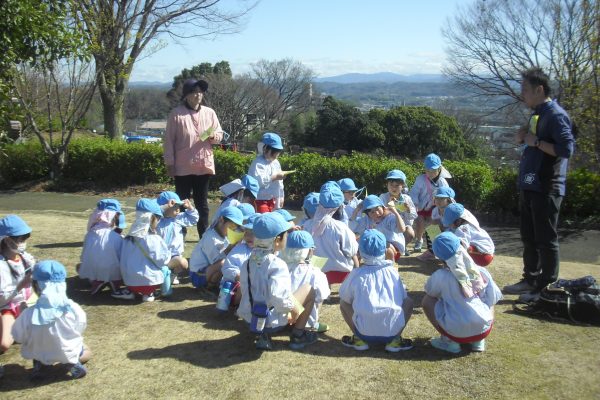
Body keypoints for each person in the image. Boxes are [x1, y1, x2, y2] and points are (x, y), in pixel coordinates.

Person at [503, 67, 575, 301]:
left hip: (547, 186)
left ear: (539, 89)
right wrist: (524, 137)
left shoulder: (555, 115)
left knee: (546, 239)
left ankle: (546, 287)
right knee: (529, 236)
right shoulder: (538, 113)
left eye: (525, 89)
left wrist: (537, 142)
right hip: (531, 184)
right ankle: (530, 279)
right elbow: (530, 142)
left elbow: (566, 149)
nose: (522, 94)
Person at [238, 212, 318, 350]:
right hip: (272, 321)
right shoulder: (277, 264)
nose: (287, 237)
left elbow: (245, 289)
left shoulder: (247, 262)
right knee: (309, 290)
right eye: (285, 235)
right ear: (277, 240)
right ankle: (298, 335)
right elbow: (278, 296)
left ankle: (263, 336)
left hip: (250, 317)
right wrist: (293, 309)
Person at [422, 232, 502, 353]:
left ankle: (448, 340)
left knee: (427, 301)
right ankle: (478, 341)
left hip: (455, 331)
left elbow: (430, 292)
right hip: (484, 329)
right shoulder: (481, 271)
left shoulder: (440, 276)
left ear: (439, 257)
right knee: (489, 298)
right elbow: (493, 298)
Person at [12, 260, 92, 380]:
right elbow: (80, 326)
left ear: (36, 286)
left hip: (39, 353)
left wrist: (22, 313)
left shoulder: (28, 313)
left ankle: (41, 366)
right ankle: (70, 363)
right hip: (66, 350)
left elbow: (18, 336)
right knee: (86, 351)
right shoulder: (72, 308)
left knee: (40, 349)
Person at [163, 78, 223, 237]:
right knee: (182, 202)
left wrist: (213, 136)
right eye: (194, 92)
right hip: (183, 167)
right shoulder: (176, 114)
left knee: (202, 203)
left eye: (200, 91)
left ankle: (204, 235)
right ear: (187, 95)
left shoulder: (210, 113)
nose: (198, 95)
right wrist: (170, 163)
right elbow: (168, 140)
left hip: (204, 165)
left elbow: (219, 134)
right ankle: (179, 234)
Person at [339, 229, 414, 352]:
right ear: (385, 251)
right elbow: (403, 297)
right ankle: (395, 340)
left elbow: (344, 296)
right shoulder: (392, 272)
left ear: (360, 252)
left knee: (343, 303)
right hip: (392, 329)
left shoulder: (356, 273)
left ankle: (358, 339)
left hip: (363, 330)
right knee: (409, 302)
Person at [0, 215, 35, 378]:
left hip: (25, 302)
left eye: (26, 237)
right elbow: (3, 298)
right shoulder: (1, 265)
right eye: (21, 238)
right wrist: (21, 284)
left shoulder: (24, 257)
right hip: (7, 307)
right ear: (7, 240)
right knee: (4, 344)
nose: (24, 241)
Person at [78, 199, 133, 299]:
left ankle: (97, 282)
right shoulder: (116, 237)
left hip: (93, 269)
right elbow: (122, 256)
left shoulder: (90, 234)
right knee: (115, 265)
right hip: (112, 269)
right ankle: (114, 282)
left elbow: (84, 255)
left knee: (83, 266)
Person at [120, 199, 171, 302]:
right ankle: (150, 294)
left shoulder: (128, 238)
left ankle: (130, 292)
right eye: (158, 219)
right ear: (152, 219)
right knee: (165, 269)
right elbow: (162, 260)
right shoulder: (154, 239)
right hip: (149, 283)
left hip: (129, 282)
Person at [280, 230, 331, 333]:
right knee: (317, 295)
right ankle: (311, 324)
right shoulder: (315, 272)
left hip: (279, 318)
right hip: (301, 319)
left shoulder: (279, 267)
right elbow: (322, 296)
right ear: (309, 251)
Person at [311, 182, 359, 285]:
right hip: (342, 272)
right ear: (340, 206)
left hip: (318, 272)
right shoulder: (341, 227)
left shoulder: (309, 225)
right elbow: (351, 250)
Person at [189, 206, 244, 288]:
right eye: (231, 227)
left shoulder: (221, 234)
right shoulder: (210, 238)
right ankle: (209, 287)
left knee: (225, 264)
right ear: (221, 220)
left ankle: (213, 285)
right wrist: (231, 247)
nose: (232, 230)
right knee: (224, 263)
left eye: (234, 228)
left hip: (208, 270)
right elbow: (216, 261)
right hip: (197, 275)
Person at [409, 153, 451, 253]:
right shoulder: (420, 179)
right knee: (420, 221)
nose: (430, 173)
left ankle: (434, 246)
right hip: (421, 207)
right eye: (428, 170)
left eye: (433, 170)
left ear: (439, 169)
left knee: (433, 223)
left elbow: (447, 196)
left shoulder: (442, 182)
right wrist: (414, 204)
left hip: (436, 207)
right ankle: (419, 240)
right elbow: (414, 193)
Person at [156, 191, 199, 285]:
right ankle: (162, 274)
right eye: (174, 207)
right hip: (159, 254)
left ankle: (172, 274)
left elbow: (194, 219)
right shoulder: (157, 219)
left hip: (174, 254)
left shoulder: (178, 218)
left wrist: (190, 207)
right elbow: (148, 215)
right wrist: (165, 207)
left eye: (178, 207)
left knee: (183, 263)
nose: (178, 210)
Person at [350, 195, 407, 262]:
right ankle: (357, 269)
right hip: (375, 249)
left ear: (382, 207)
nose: (376, 213)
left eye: (377, 209)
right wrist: (356, 210)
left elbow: (402, 229)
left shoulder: (389, 218)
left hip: (391, 249)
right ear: (367, 214)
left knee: (386, 246)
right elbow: (352, 228)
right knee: (356, 247)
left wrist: (395, 213)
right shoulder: (367, 220)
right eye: (372, 212)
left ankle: (390, 267)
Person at [221, 213, 259, 308]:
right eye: (246, 232)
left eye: (253, 233)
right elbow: (228, 267)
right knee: (244, 286)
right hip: (235, 287)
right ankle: (238, 305)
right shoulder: (239, 249)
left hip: (256, 287)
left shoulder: (265, 252)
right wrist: (239, 276)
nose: (249, 236)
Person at [248, 132, 292, 213]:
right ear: (264, 148)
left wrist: (281, 197)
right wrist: (275, 177)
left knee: (272, 222)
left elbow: (280, 184)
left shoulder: (276, 163)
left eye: (278, 153)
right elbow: (259, 182)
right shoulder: (258, 163)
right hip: (260, 200)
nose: (276, 155)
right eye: (274, 152)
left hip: (273, 200)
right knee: (263, 222)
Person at [379, 170, 417, 254]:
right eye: (391, 185)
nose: (393, 188)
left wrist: (408, 209)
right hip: (387, 225)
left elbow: (414, 215)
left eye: (397, 185)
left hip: (403, 225)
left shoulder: (406, 198)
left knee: (410, 232)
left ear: (402, 186)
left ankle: (401, 247)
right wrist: (388, 208)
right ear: (387, 185)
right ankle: (388, 248)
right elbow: (379, 214)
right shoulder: (383, 197)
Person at [415, 186, 457, 262]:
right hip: (444, 231)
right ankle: (432, 252)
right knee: (431, 229)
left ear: (448, 200)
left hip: (454, 233)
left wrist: (442, 226)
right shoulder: (435, 210)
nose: (438, 200)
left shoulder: (453, 210)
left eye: (441, 198)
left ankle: (449, 256)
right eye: (436, 198)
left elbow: (455, 226)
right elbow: (434, 224)